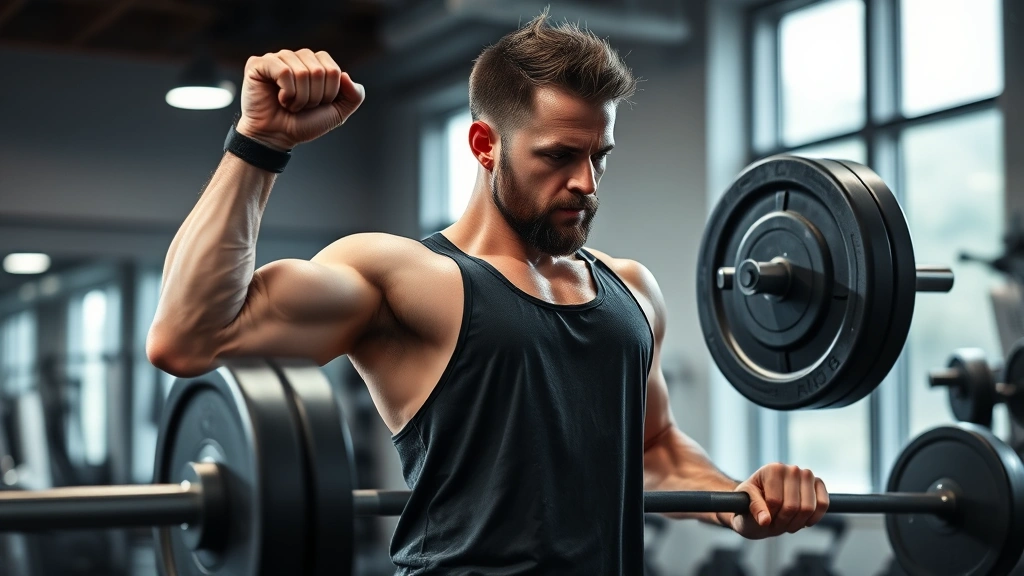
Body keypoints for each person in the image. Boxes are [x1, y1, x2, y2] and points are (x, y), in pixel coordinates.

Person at [148, 13, 829, 575]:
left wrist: (738, 498)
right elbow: (188, 336)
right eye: (559, 156)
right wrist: (260, 143)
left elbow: (654, 451)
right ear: (484, 144)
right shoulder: (404, 276)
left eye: (599, 157)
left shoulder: (631, 290)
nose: (586, 183)